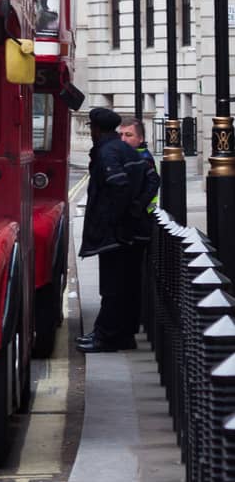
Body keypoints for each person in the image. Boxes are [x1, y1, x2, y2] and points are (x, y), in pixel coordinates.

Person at [77, 107, 149, 353]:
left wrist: (115, 221)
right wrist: (137, 209)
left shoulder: (108, 152)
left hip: (118, 234)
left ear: (96, 129)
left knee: (113, 287)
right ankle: (123, 336)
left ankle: (106, 337)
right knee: (128, 287)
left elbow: (119, 187)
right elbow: (151, 179)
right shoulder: (126, 150)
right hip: (133, 231)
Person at [118, 114, 161, 339]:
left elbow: (153, 182)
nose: (124, 139)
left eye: (129, 135)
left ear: (141, 137)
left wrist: (137, 207)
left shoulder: (142, 157)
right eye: (121, 135)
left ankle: (129, 327)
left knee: (131, 280)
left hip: (140, 225)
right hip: (135, 223)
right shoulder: (130, 154)